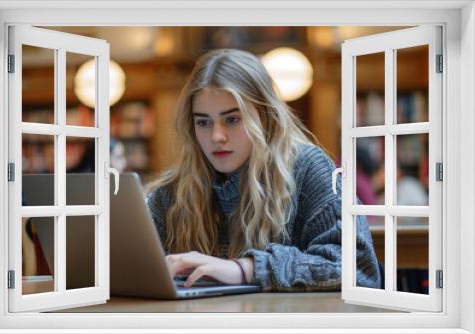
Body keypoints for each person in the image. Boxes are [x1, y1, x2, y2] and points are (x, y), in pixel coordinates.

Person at [145, 49, 380, 291]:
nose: (216, 136)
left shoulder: (309, 168)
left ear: (266, 117)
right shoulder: (173, 192)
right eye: (203, 122)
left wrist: (246, 268)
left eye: (232, 119)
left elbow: (358, 269)